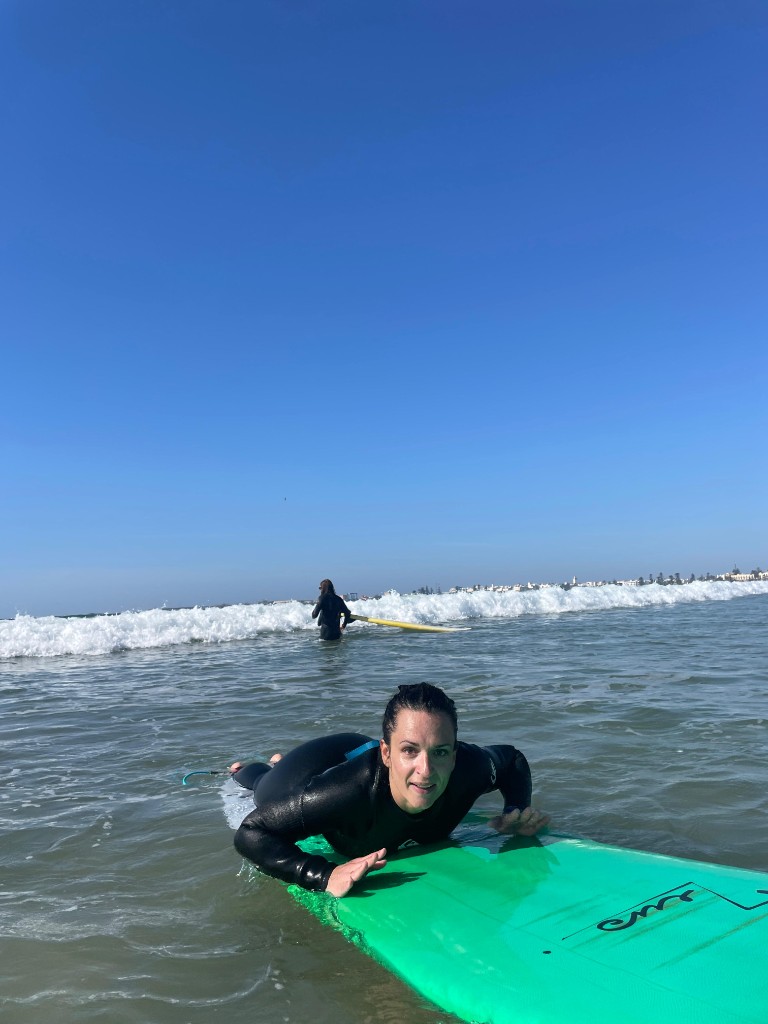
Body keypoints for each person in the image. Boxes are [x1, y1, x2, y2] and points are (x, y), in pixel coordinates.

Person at [232, 682, 549, 897]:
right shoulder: (347, 794)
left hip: (359, 749)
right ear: (388, 753)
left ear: (453, 755)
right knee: (265, 786)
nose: (426, 771)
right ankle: (254, 767)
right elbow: (252, 832)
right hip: (307, 772)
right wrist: (322, 875)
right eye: (410, 751)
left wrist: (515, 810)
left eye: (440, 752)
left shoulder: (467, 766)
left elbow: (512, 760)